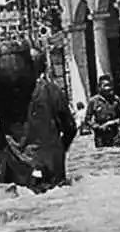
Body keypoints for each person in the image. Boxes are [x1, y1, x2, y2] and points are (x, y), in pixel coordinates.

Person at [7, 47, 77, 192]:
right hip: (52, 164)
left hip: (24, 166)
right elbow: (70, 127)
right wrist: (59, 150)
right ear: (44, 67)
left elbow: (5, 135)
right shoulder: (53, 91)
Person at [84, 74, 120, 148]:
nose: (108, 88)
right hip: (100, 136)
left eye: (110, 85)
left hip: (114, 135)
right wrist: (97, 126)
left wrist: (113, 122)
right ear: (99, 87)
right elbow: (87, 120)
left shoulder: (116, 100)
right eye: (106, 85)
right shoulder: (93, 101)